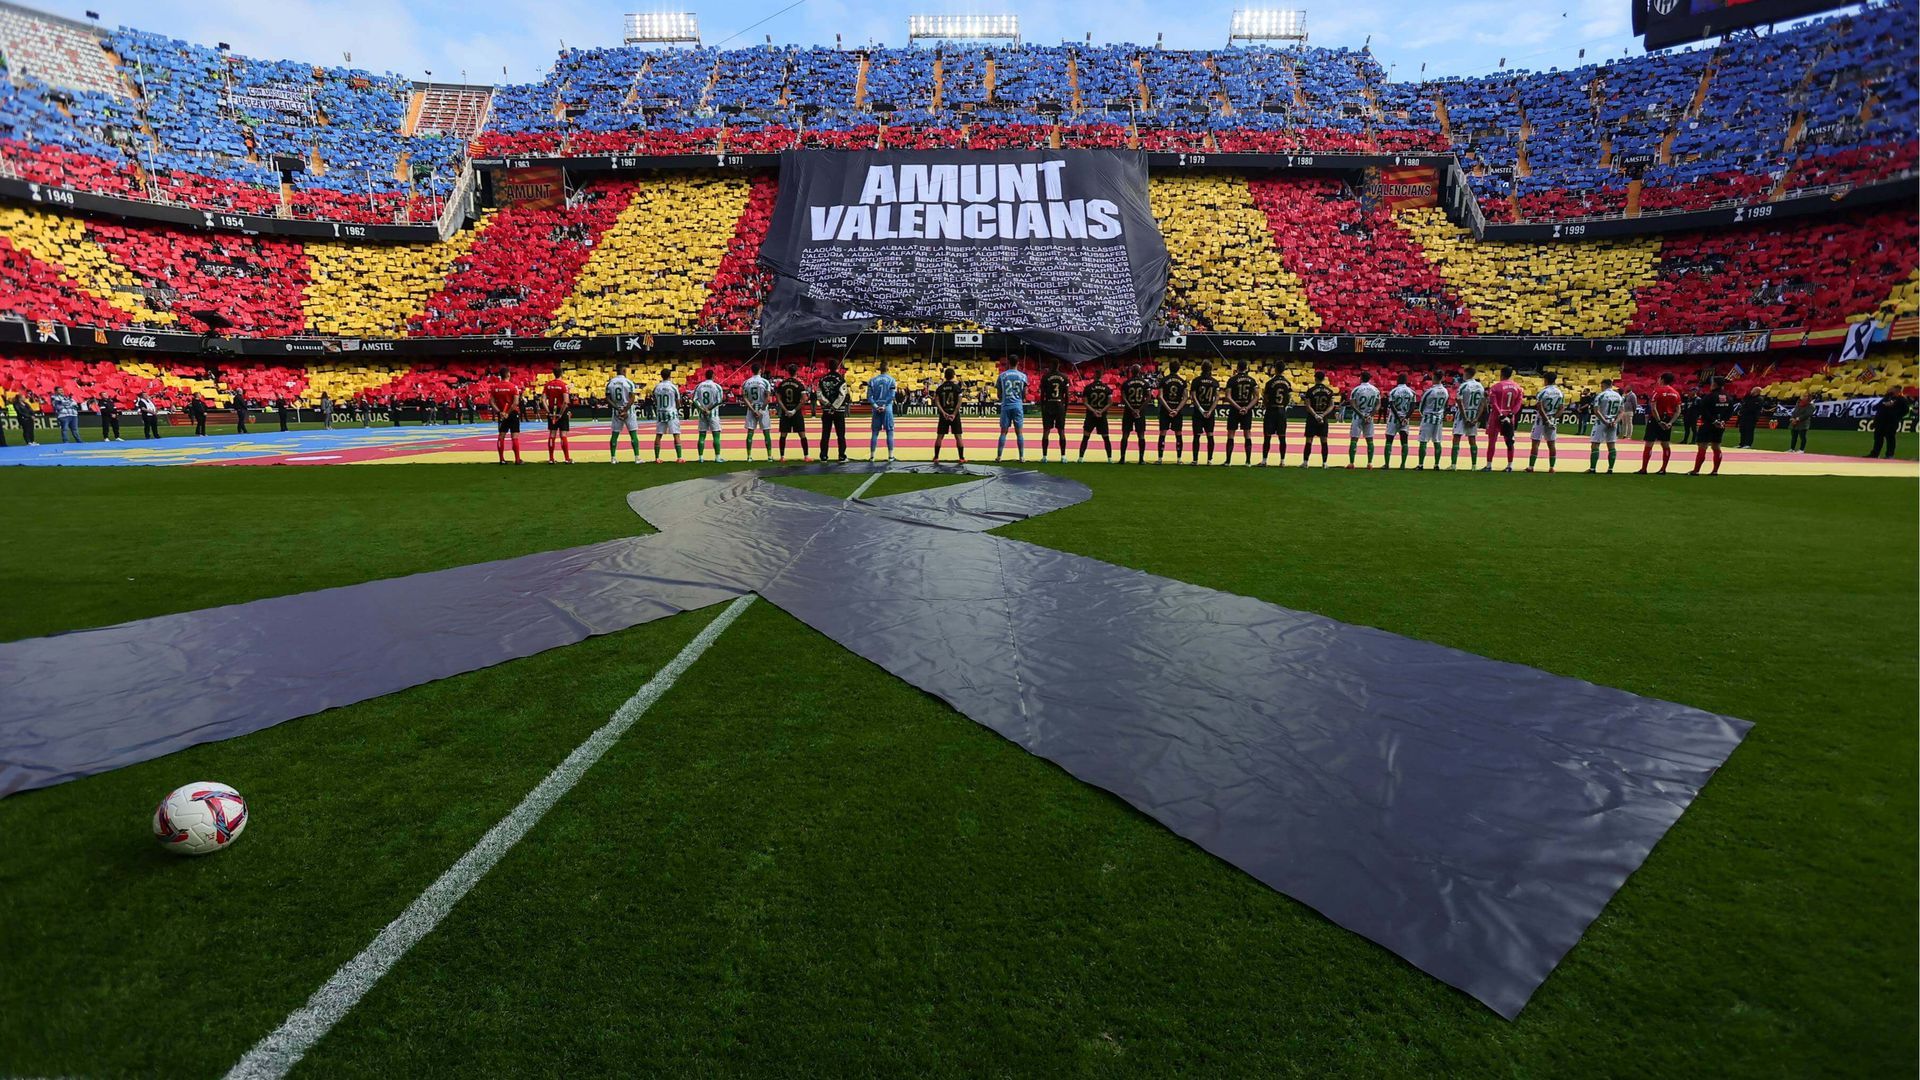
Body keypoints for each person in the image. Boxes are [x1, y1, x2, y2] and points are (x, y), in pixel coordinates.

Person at [1689, 376, 1736, 476]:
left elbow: (1703, 411)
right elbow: (1730, 411)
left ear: (1714, 384)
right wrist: (1723, 421)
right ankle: (1715, 471)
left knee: (1702, 446)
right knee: (1716, 447)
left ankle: (1696, 470)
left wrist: (1714, 421)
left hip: (1708, 424)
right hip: (1720, 425)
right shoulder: (1728, 397)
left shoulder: (1709, 396)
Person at [1638, 372, 1682, 475]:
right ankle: (1663, 469)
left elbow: (1653, 408)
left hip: (1656, 419)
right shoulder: (1676, 393)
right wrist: (1670, 422)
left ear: (1661, 379)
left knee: (1649, 443)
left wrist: (1658, 421)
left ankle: (1644, 468)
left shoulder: (1657, 391)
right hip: (1668, 419)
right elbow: (1678, 410)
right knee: (1665, 444)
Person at [1484, 366, 1524, 472]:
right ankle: (1509, 466)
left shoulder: (1495, 387)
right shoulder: (1518, 387)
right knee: (1509, 441)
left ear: (1501, 374)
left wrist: (1501, 415)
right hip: (1510, 417)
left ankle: (1488, 465)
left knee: (1492, 441)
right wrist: (1511, 415)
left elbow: (1493, 403)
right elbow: (1518, 403)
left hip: (1496, 416)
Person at [1527, 372, 1565, 473]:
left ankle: (1531, 466)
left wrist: (1546, 419)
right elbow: (1561, 408)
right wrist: (1553, 418)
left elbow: (1540, 407)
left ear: (1546, 380)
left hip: (1541, 420)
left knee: (1535, 442)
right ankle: (1552, 467)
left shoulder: (1543, 392)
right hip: (1552, 419)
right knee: (1551, 444)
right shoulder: (1560, 392)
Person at [736, 362, 773, 461]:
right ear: (760, 370)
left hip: (751, 408)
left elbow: (744, 398)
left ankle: (749, 456)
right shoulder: (765, 382)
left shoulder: (746, 382)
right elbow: (768, 398)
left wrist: (753, 410)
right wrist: (760, 410)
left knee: (750, 432)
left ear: (751, 371)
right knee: (766, 432)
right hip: (763, 409)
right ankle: (769, 456)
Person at [994, 358, 1029, 462]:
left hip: (1006, 406)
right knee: (1019, 433)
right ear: (1018, 363)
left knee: (1003, 432)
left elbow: (999, 394)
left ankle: (999, 456)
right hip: (1017, 406)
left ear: (1008, 363)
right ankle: (1021, 457)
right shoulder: (1023, 376)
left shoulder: (1002, 376)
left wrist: (1004, 398)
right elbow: (1024, 394)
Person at [1223, 360, 1257, 466]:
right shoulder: (1252, 380)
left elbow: (1228, 396)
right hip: (1247, 410)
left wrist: (1238, 408)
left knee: (1231, 434)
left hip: (1234, 409)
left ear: (1237, 368)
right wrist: (1246, 408)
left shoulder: (1232, 380)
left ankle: (1228, 461)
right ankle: (1248, 461)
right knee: (1247, 434)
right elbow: (1256, 397)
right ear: (1246, 368)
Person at [1185, 361, 1220, 464]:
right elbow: (1217, 398)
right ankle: (1209, 460)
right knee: (1210, 435)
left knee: (1197, 435)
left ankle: (1195, 460)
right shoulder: (1215, 382)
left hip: (1198, 412)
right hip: (1209, 411)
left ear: (1201, 368)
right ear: (1211, 369)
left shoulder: (1196, 381)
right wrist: (1210, 410)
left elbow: (1193, 396)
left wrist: (1201, 409)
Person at [1450, 367, 1485, 470]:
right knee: (1472, 439)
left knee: (1457, 437)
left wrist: (1465, 417)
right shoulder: (1480, 386)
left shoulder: (1464, 386)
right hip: (1474, 414)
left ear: (1466, 374)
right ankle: (1474, 465)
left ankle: (1453, 465)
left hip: (1463, 415)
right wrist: (1477, 418)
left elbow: (1459, 401)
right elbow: (1482, 403)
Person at [816, 360, 849, 462]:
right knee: (840, 434)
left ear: (828, 367)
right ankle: (841, 456)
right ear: (837, 367)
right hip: (839, 410)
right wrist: (834, 406)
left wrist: (827, 404)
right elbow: (842, 395)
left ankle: (823, 456)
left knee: (825, 434)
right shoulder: (841, 379)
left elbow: (819, 395)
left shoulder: (822, 379)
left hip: (826, 410)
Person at [606, 365, 641, 462]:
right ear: (624, 371)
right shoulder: (628, 382)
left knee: (615, 434)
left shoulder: (610, 383)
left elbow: (607, 398)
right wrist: (625, 410)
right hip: (629, 410)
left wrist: (617, 408)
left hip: (617, 410)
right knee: (633, 433)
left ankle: (613, 458)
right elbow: (632, 397)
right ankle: (637, 457)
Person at [1587, 378, 1623, 474]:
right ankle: (1610, 469)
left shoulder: (1601, 395)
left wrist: (1605, 421)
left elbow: (1596, 410)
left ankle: (1592, 468)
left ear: (1603, 385)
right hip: (1613, 422)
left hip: (1601, 422)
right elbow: (1621, 412)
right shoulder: (1618, 396)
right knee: (1611, 445)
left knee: (1595, 444)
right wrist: (1615, 421)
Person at [1155, 359, 1188, 463]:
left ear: (1169, 368)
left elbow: (1160, 396)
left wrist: (1168, 409)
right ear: (1178, 369)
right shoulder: (1182, 381)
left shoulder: (1163, 380)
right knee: (1178, 434)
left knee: (1162, 433)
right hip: (1177, 411)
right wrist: (1176, 410)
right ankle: (1179, 459)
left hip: (1165, 410)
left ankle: (1160, 458)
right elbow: (1185, 397)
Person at [1346, 371, 1380, 469]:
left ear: (1360, 378)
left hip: (1358, 417)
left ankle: (1351, 463)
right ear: (1369, 378)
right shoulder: (1375, 390)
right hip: (1369, 417)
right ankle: (1369, 463)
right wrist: (1370, 415)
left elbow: (1352, 404)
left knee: (1354, 439)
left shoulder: (1356, 389)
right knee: (1370, 439)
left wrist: (1361, 415)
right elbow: (1378, 405)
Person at [1259, 363, 1292, 466]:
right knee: (1282, 437)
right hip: (1281, 411)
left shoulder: (1270, 382)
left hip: (1271, 410)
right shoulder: (1287, 383)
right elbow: (1288, 398)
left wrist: (1266, 406)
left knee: (1267, 437)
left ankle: (1264, 460)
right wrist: (1283, 406)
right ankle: (1282, 461)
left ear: (1275, 369)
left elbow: (1265, 398)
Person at [933, 366, 967, 463]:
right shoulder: (957, 388)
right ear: (953, 376)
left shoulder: (940, 388)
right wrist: (954, 414)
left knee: (940, 436)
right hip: (954, 415)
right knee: (958, 436)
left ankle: (936, 457)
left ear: (945, 376)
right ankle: (961, 458)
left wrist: (943, 413)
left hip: (944, 414)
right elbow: (959, 402)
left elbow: (937, 402)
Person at [1038, 359, 1070, 464]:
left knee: (1046, 431)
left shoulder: (1045, 377)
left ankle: (1044, 456)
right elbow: (1067, 395)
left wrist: (1042, 407)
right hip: (1060, 406)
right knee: (1061, 431)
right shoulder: (1064, 377)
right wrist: (1065, 409)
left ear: (1051, 365)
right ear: (1058, 365)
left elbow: (1042, 395)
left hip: (1049, 405)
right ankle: (1063, 456)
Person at [1079, 369, 1114, 463]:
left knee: (1085, 437)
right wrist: (1101, 411)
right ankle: (1110, 459)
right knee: (1106, 438)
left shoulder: (1088, 387)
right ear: (1101, 376)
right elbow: (1110, 402)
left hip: (1090, 415)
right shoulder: (1107, 388)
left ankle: (1080, 458)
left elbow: (1085, 402)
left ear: (1094, 376)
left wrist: (1094, 411)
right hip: (1102, 416)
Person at [1416, 373, 1449, 470]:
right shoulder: (1445, 391)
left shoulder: (1430, 391)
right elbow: (1446, 405)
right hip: (1439, 419)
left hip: (1428, 418)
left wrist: (1424, 414)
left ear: (1434, 378)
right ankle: (1436, 465)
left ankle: (1421, 464)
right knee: (1437, 441)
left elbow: (1421, 406)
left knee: (1423, 441)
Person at [1300, 370, 1334, 466]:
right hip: (1323, 418)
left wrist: (1315, 415)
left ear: (1315, 378)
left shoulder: (1310, 390)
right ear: (1323, 379)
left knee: (1309, 440)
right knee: (1324, 441)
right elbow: (1331, 406)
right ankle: (1324, 463)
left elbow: (1308, 406)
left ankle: (1305, 462)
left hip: (1312, 418)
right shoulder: (1329, 391)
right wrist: (1322, 415)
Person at [489, 371, 523, 464]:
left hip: (501, 413)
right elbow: (515, 403)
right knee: (514, 436)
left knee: (501, 435)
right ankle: (517, 459)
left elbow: (491, 402)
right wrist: (507, 413)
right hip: (512, 413)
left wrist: (500, 412)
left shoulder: (495, 387)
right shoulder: (513, 387)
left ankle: (501, 459)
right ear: (508, 375)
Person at [1118, 365, 1150, 463]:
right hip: (1140, 411)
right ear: (1140, 371)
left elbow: (1123, 397)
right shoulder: (1145, 383)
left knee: (1125, 434)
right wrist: (1138, 409)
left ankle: (1122, 458)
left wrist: (1131, 409)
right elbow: (1148, 397)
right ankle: (1141, 459)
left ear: (1131, 371)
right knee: (1141, 435)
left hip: (1128, 411)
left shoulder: (1126, 383)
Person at [692, 368, 725, 463]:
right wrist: (709, 409)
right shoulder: (717, 386)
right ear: (713, 376)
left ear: (705, 376)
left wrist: (702, 409)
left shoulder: (699, 386)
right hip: (713, 414)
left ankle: (701, 457)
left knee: (702, 435)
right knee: (716, 435)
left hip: (702, 414)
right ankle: (717, 457)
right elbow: (719, 401)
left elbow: (694, 400)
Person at [866, 361, 896, 462]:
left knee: (875, 433)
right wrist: (884, 405)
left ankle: (872, 456)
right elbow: (892, 396)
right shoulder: (891, 380)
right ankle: (890, 456)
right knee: (889, 432)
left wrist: (876, 406)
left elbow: (869, 397)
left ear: (879, 369)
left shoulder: (872, 380)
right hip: (887, 408)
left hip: (876, 408)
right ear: (888, 369)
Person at [653, 368, 685, 463]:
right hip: (671, 412)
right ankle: (679, 457)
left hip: (661, 413)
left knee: (658, 435)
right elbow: (678, 402)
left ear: (661, 376)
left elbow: (654, 400)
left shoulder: (657, 387)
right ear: (670, 376)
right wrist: (676, 408)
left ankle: (657, 458)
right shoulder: (673, 387)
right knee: (676, 435)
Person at [543, 368, 573, 464]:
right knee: (563, 434)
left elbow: (543, 400)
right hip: (562, 410)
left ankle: (551, 459)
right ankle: (567, 458)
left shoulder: (548, 385)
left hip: (552, 410)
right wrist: (560, 414)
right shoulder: (564, 385)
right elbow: (566, 401)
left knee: (552, 434)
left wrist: (548, 412)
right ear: (562, 374)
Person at [1869, 389, 1910, 458]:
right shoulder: (1886, 398)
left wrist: (1896, 416)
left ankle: (1889, 454)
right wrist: (1884, 404)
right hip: (1881, 421)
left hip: (1891, 422)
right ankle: (1875, 453)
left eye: (1892, 390)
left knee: (1890, 438)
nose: (1889, 391)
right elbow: (1876, 407)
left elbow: (1906, 410)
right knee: (1878, 437)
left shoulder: (1901, 400)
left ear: (1898, 391)